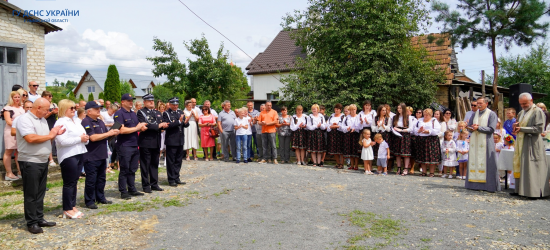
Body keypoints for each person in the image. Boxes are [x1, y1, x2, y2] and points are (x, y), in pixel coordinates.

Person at [16, 98, 65, 234]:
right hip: (30, 160)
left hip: (42, 160)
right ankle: (31, 222)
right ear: (38, 107)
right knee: (31, 193)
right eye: (46, 109)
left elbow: (45, 137)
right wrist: (51, 135)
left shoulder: (42, 119)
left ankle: (39, 218)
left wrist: (55, 135)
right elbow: (30, 138)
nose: (48, 112)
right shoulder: (24, 119)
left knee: (40, 192)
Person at [54, 99, 89, 217]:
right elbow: (61, 141)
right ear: (64, 109)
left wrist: (85, 138)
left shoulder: (75, 121)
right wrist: (80, 139)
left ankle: (72, 205)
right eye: (72, 108)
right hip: (68, 155)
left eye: (75, 107)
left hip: (79, 152)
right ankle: (67, 208)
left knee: (74, 181)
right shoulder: (61, 122)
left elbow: (81, 135)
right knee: (69, 183)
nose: (74, 110)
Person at [511, 93, 550, 198]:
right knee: (522, 166)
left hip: (532, 143)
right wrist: (516, 126)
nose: (523, 105)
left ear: (531, 101)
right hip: (521, 142)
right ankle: (520, 190)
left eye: (525, 103)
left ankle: (534, 192)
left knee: (532, 167)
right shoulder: (521, 112)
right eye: (521, 104)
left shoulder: (537, 112)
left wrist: (522, 129)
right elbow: (520, 125)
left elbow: (539, 128)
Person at [81, 101, 119, 210]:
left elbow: (104, 136)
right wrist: (108, 133)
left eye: (99, 108)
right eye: (96, 108)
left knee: (101, 178)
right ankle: (89, 200)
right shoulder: (86, 121)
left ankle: (100, 197)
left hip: (102, 154)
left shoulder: (100, 121)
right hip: (91, 155)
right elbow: (92, 137)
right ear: (89, 111)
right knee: (91, 179)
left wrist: (112, 133)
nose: (99, 110)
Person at [114, 94, 147, 199]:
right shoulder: (119, 114)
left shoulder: (133, 114)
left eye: (131, 100)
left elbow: (136, 127)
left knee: (133, 168)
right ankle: (123, 191)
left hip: (134, 144)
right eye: (128, 100)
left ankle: (132, 189)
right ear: (122, 102)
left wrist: (142, 128)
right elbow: (121, 130)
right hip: (124, 145)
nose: (131, 102)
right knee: (124, 169)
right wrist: (137, 128)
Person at [465, 97, 500, 192]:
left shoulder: (491, 114)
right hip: (475, 142)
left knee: (487, 162)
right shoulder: (474, 114)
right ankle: (473, 185)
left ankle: (489, 186)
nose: (478, 105)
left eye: (481, 103)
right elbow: (471, 126)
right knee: (474, 161)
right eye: (477, 103)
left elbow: (491, 129)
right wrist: (468, 127)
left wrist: (479, 128)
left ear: (486, 103)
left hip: (486, 142)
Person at [137, 94, 168, 193]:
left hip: (156, 141)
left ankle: (154, 184)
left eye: (152, 100)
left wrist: (164, 125)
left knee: (154, 164)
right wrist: (158, 125)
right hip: (146, 142)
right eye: (149, 101)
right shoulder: (141, 112)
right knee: (145, 165)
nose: (151, 102)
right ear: (144, 102)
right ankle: (146, 186)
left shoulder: (157, 112)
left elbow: (159, 124)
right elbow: (146, 125)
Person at [163, 97, 190, 187]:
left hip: (180, 139)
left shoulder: (180, 112)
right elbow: (168, 126)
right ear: (170, 104)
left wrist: (186, 122)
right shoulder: (166, 113)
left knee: (178, 160)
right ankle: (171, 179)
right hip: (171, 140)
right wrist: (179, 121)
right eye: (173, 104)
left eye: (176, 104)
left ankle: (176, 177)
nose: (175, 106)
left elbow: (185, 125)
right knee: (171, 161)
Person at [3, 91, 25, 180]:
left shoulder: (22, 108)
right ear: (11, 98)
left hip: (20, 132)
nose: (17, 99)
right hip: (10, 132)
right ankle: (9, 173)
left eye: (18, 97)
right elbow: (8, 121)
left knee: (19, 152)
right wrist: (20, 125)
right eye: (15, 97)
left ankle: (20, 171)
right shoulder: (7, 108)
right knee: (8, 152)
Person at [414, 108, 442, 177]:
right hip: (421, 140)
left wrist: (428, 131)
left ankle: (432, 172)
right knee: (422, 156)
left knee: (431, 156)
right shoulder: (420, 120)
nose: (425, 116)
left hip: (431, 140)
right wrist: (419, 130)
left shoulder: (434, 121)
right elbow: (414, 129)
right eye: (425, 115)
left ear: (430, 115)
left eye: (427, 115)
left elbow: (437, 130)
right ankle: (424, 172)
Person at [390, 103, 414, 175]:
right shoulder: (395, 117)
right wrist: (394, 129)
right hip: (397, 135)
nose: (399, 110)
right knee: (397, 153)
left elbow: (411, 128)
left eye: (400, 108)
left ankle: (406, 168)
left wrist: (402, 130)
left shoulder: (408, 117)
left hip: (405, 135)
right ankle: (399, 168)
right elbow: (392, 126)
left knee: (406, 153)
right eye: (398, 108)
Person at [41, 91, 59, 167]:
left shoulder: (54, 104)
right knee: (48, 141)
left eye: (51, 96)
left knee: (55, 140)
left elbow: (59, 114)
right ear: (44, 97)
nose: (51, 97)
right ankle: (50, 159)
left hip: (53, 122)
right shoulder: (41, 105)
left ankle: (55, 156)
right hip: (46, 123)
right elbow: (42, 117)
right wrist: (51, 113)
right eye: (49, 96)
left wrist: (56, 112)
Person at [341, 104, 360, 169]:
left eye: (354, 109)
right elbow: (342, 126)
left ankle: (356, 165)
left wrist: (355, 128)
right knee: (350, 149)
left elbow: (360, 126)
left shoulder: (358, 117)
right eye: (351, 109)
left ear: (356, 110)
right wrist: (347, 128)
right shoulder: (346, 117)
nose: (353, 111)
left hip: (355, 134)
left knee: (355, 149)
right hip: (348, 134)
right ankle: (352, 165)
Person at [326, 103, 345, 169]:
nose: (336, 110)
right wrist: (331, 126)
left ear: (340, 110)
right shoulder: (331, 116)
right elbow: (327, 124)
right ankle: (338, 163)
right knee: (334, 149)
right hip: (332, 134)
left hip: (340, 134)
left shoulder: (343, 116)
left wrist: (337, 125)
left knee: (340, 149)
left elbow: (343, 125)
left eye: (338, 109)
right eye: (335, 109)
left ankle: (342, 164)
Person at [102, 103, 119, 172]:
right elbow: (101, 123)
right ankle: (108, 165)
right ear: (109, 109)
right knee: (108, 149)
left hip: (113, 133)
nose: (113, 113)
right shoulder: (103, 114)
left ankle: (111, 163)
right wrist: (108, 124)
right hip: (106, 133)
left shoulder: (114, 115)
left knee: (114, 148)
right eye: (112, 111)